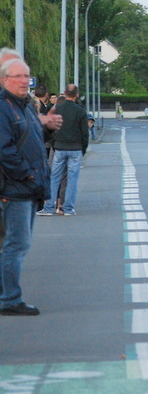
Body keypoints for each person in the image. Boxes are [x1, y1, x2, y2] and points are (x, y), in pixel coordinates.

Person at [0, 57, 50, 315]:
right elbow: (5, 151)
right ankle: (9, 299)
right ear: (4, 80)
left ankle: (8, 296)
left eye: (26, 76)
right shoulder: (4, 108)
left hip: (28, 188)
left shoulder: (26, 106)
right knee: (16, 244)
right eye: (17, 77)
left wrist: (49, 127)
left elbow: (34, 140)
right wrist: (28, 175)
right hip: (15, 188)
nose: (24, 81)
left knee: (19, 244)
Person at [37, 84, 88, 217]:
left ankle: (48, 207)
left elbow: (49, 128)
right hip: (75, 148)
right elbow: (85, 132)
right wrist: (83, 148)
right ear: (77, 95)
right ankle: (68, 208)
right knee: (72, 178)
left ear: (64, 93)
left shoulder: (57, 109)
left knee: (54, 177)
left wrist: (54, 142)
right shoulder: (81, 111)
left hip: (59, 147)